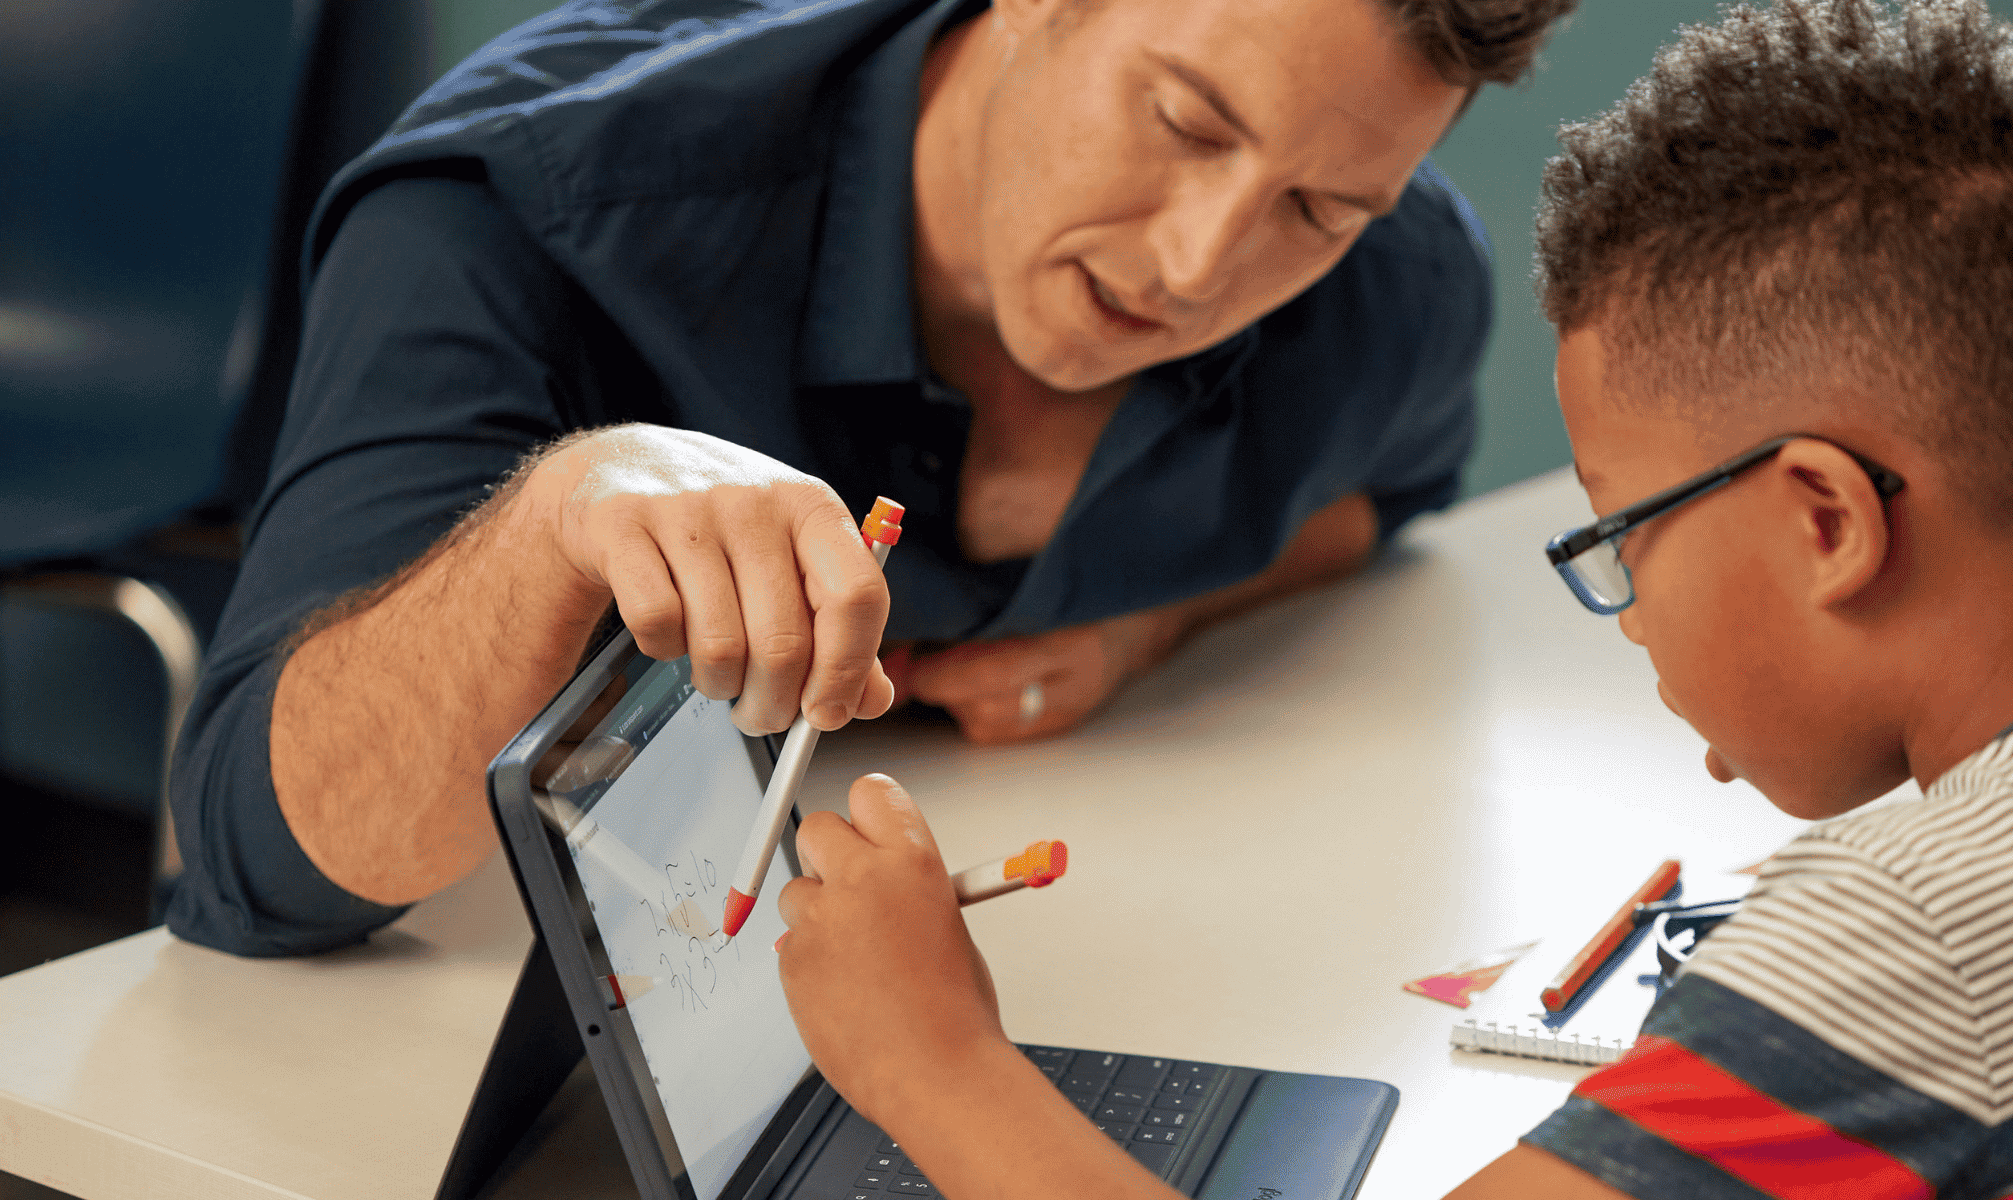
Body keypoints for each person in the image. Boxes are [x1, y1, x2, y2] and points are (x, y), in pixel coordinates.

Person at [765, 0, 2013, 1195]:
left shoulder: (1902, 955)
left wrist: (934, 1058)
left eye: (1625, 540)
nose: (1639, 624)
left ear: (1825, 517)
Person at [164, 0, 1577, 957]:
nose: (1201, 266)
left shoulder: (1395, 284)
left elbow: (1376, 506)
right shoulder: (526, 218)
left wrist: (1147, 630)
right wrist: (556, 515)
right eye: (1187, 123)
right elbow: (257, 870)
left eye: (1320, 206)